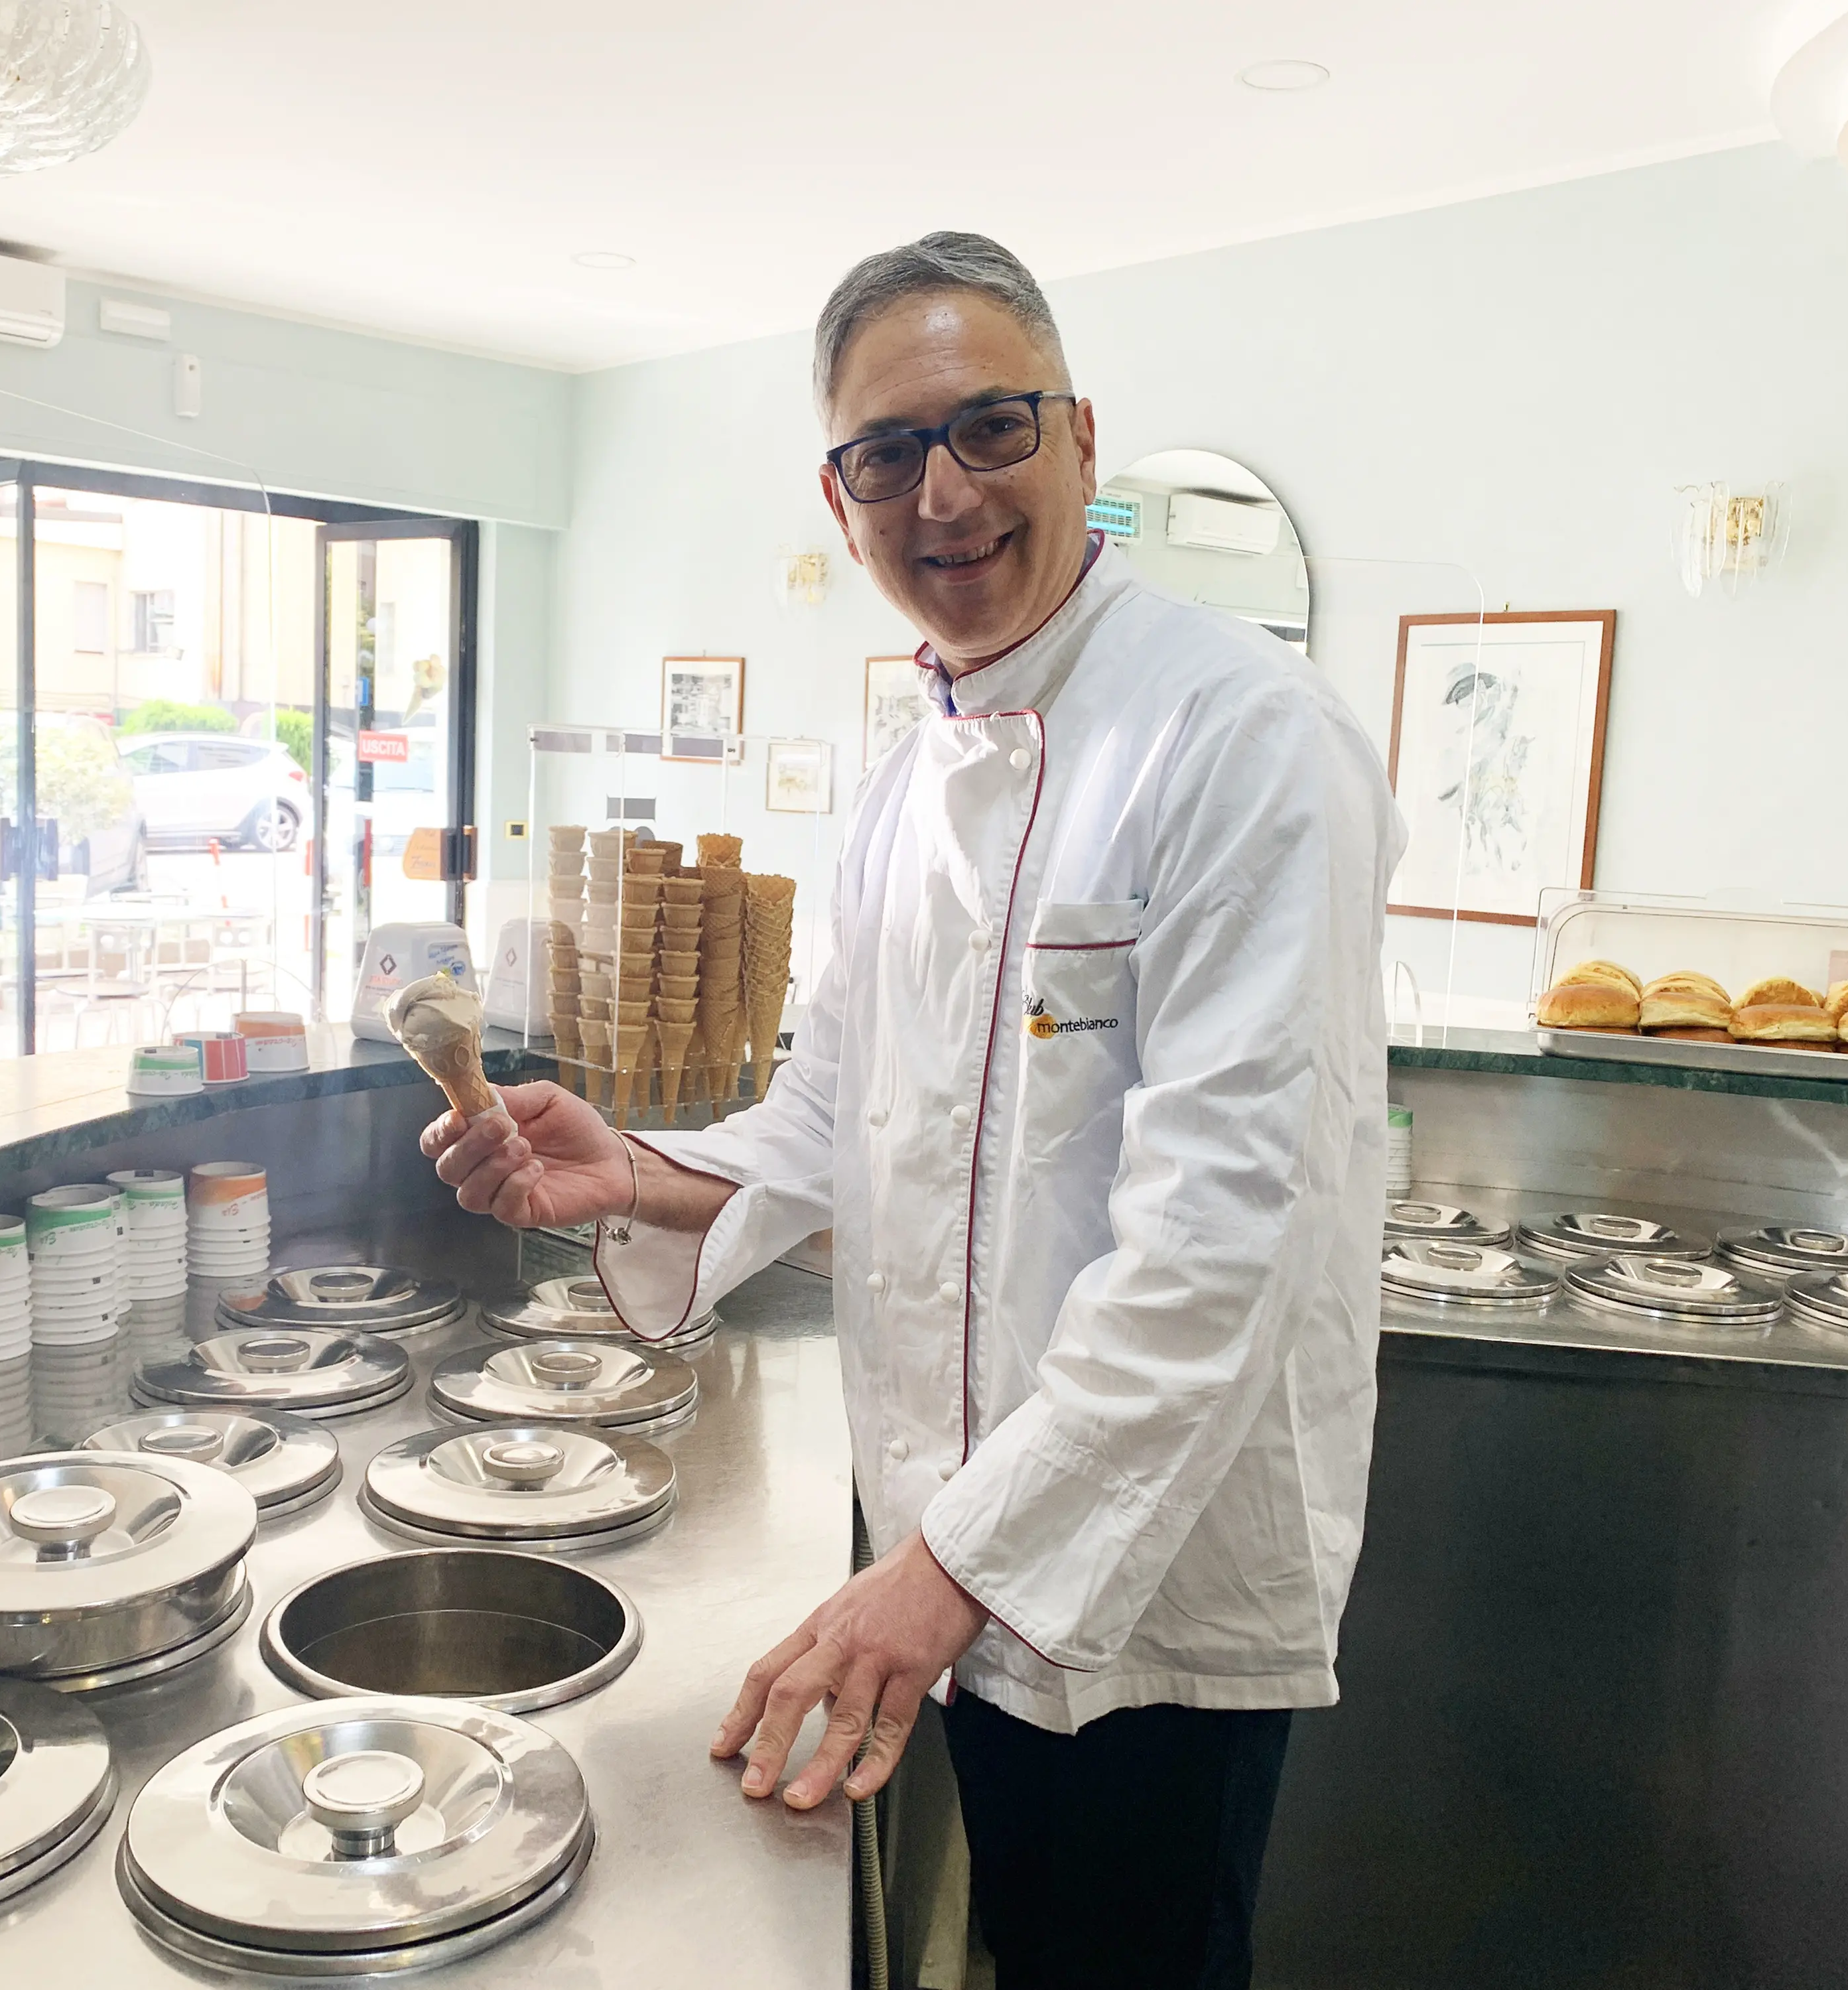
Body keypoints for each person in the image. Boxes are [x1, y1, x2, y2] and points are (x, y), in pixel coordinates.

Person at [423, 232, 1404, 1990]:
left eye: (991, 429)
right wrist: (632, 1178)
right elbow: (836, 1115)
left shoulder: (1242, 733)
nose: (942, 491)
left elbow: (1220, 1248)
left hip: (1144, 1584)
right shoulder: (907, 773)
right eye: (888, 453)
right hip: (954, 1545)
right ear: (839, 492)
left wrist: (939, 1573)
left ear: (1083, 441)